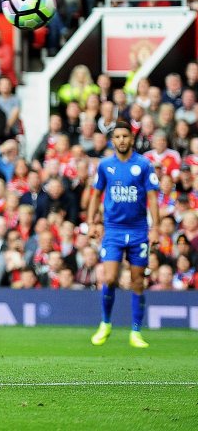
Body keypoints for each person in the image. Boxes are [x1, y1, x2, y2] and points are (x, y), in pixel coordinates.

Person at [87, 121, 160, 349]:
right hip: (113, 230)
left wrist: (155, 227)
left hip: (138, 230)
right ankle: (106, 323)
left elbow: (153, 199)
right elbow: (96, 195)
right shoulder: (105, 165)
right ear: (112, 140)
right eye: (117, 136)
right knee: (109, 278)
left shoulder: (144, 165)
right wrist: (91, 222)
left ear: (131, 139)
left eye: (125, 136)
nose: (121, 140)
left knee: (138, 281)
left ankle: (136, 332)